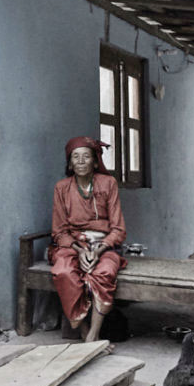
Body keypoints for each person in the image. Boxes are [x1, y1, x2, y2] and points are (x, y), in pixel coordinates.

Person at [50, 136, 127, 342]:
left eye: (86, 157)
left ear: (95, 162)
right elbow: (59, 231)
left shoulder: (108, 184)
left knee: (104, 271)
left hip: (104, 246)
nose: (81, 161)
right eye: (76, 157)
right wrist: (81, 250)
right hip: (74, 245)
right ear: (70, 163)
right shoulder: (62, 188)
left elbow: (118, 229)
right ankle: (84, 332)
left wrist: (98, 250)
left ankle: (93, 335)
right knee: (64, 271)